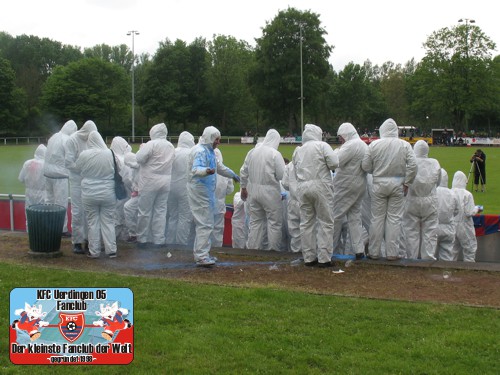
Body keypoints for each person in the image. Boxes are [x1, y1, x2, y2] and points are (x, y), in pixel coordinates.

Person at [361, 118, 417, 261]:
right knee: (394, 219)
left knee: (377, 218)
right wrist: (407, 183)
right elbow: (413, 165)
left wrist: (377, 172)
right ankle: (392, 252)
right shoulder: (404, 145)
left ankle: (374, 252)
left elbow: (365, 166)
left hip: (379, 182)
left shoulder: (374, 145)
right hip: (398, 183)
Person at [187, 126, 240, 266]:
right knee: (205, 224)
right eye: (217, 139)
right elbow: (196, 169)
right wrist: (206, 171)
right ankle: (201, 256)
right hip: (200, 192)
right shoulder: (199, 151)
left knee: (206, 223)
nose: (218, 142)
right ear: (210, 138)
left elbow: (219, 167)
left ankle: (203, 253)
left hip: (205, 192)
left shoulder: (209, 152)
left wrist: (232, 174)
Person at [292, 124, 339, 267]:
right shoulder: (322, 146)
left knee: (306, 222)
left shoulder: (298, 150)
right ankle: (324, 258)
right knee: (325, 221)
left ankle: (309, 257)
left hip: (303, 186)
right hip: (320, 185)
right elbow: (334, 164)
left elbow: (295, 170)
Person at [240, 129, 286, 251]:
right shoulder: (274, 154)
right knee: (274, 222)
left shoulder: (252, 152)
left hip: (253, 191)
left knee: (255, 222)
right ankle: (273, 250)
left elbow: (243, 171)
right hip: (270, 192)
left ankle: (253, 249)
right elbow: (282, 175)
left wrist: (243, 187)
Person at [75, 131, 117, 258]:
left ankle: (94, 251)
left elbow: (77, 169)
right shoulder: (109, 153)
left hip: (89, 192)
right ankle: (111, 250)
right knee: (108, 221)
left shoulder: (84, 154)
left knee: (92, 222)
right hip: (108, 191)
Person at [331, 123, 368, 260]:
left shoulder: (351, 145)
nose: (340, 140)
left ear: (346, 134)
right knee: (355, 218)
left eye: (340, 137)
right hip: (359, 185)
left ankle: (329, 249)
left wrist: (334, 151)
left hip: (345, 185)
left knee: (335, 216)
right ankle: (359, 250)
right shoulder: (363, 145)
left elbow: (336, 161)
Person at [135, 123, 175, 248]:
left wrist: (142, 148)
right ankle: (158, 239)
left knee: (144, 212)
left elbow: (139, 159)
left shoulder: (151, 144)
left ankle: (142, 239)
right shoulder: (170, 145)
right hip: (165, 181)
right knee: (160, 212)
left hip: (149, 181)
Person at [402, 140, 441, 260]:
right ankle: (428, 258)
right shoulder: (434, 163)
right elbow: (438, 182)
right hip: (429, 200)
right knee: (430, 231)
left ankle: (411, 258)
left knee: (410, 231)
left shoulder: (410, 163)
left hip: (411, 200)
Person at [65, 120, 98, 254]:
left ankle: (90, 240)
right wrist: (81, 169)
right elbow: (69, 162)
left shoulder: (92, 139)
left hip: (90, 180)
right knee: (78, 211)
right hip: (77, 180)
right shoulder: (72, 140)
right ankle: (77, 241)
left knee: (90, 211)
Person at [44, 120, 77, 237]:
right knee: (60, 202)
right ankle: (61, 229)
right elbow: (70, 158)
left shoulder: (53, 137)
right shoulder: (67, 140)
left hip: (47, 173)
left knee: (49, 201)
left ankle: (47, 226)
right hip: (60, 175)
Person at [165, 131, 196, 247]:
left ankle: (169, 241)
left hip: (171, 187)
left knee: (173, 216)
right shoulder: (192, 153)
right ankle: (180, 243)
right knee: (184, 217)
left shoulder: (173, 152)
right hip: (185, 188)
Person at [452, 171, 479, 262]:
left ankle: (449, 269)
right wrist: (477, 209)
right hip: (465, 225)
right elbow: (469, 212)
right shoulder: (467, 194)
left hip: (451, 225)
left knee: (452, 250)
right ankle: (469, 270)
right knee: (469, 249)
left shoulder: (449, 193)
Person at [19, 144, 47, 230]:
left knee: (29, 212)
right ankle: (41, 231)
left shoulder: (27, 163)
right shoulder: (46, 164)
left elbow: (21, 178)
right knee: (43, 213)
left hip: (29, 192)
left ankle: (30, 231)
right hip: (43, 192)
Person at [211, 148, 234, 247]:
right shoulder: (226, 172)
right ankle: (216, 251)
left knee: (203, 229)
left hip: (204, 205)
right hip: (219, 205)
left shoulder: (203, 169)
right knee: (217, 230)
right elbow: (230, 189)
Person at [110, 136, 132, 241]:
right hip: (123, 191)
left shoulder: (111, 156)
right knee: (121, 214)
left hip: (112, 190)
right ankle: (121, 237)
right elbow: (128, 179)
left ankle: (113, 237)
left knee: (115, 214)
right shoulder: (123, 159)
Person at [436, 169, 459, 261]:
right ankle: (445, 272)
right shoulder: (452, 193)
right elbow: (456, 211)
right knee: (446, 255)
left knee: (429, 255)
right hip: (448, 227)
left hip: (433, 227)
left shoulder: (432, 191)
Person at [281, 153, 301, 253]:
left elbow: (284, 183)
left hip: (293, 200)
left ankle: (296, 253)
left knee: (294, 230)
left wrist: (292, 188)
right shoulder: (311, 162)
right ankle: (310, 255)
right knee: (310, 228)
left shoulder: (289, 166)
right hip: (307, 201)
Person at [123, 151, 140, 244]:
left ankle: (134, 234)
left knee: (128, 208)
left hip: (142, 194)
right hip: (139, 194)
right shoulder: (133, 169)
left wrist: (137, 190)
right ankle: (134, 234)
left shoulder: (140, 168)